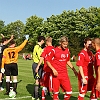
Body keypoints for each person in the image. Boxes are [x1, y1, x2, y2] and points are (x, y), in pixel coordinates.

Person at [32, 36, 45, 100]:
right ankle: (35, 96)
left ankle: (35, 94)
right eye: (44, 41)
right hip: (37, 64)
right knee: (37, 79)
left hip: (39, 65)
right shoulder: (37, 47)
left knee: (39, 80)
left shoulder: (39, 47)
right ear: (42, 40)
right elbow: (40, 57)